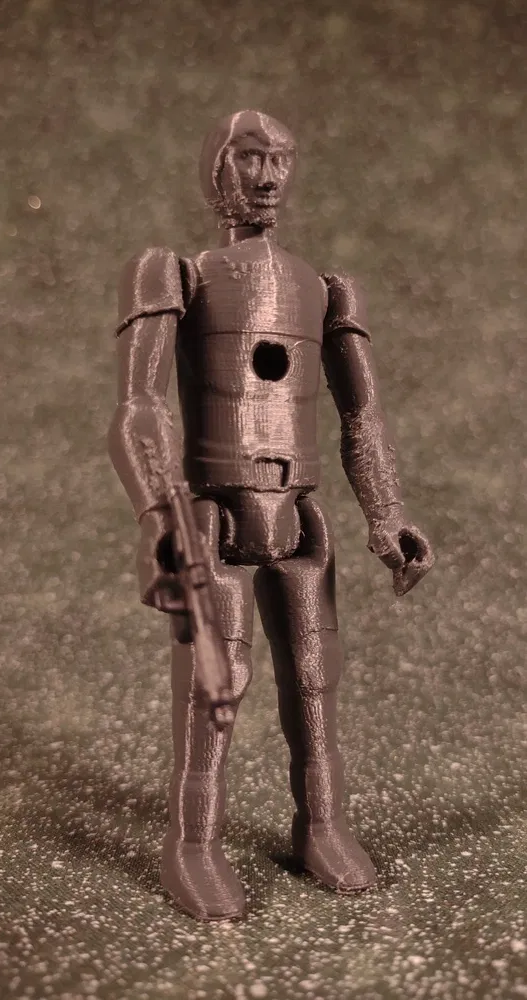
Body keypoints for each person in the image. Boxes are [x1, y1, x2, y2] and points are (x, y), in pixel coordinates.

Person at [108, 110, 434, 920]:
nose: (265, 176)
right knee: (213, 692)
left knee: (316, 682)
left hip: (299, 518)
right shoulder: (174, 273)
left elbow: (361, 416)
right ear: (216, 167)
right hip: (213, 516)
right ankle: (193, 843)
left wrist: (387, 512)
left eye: (279, 159)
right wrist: (158, 512)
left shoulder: (323, 287)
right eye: (248, 157)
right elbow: (139, 404)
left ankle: (321, 824)